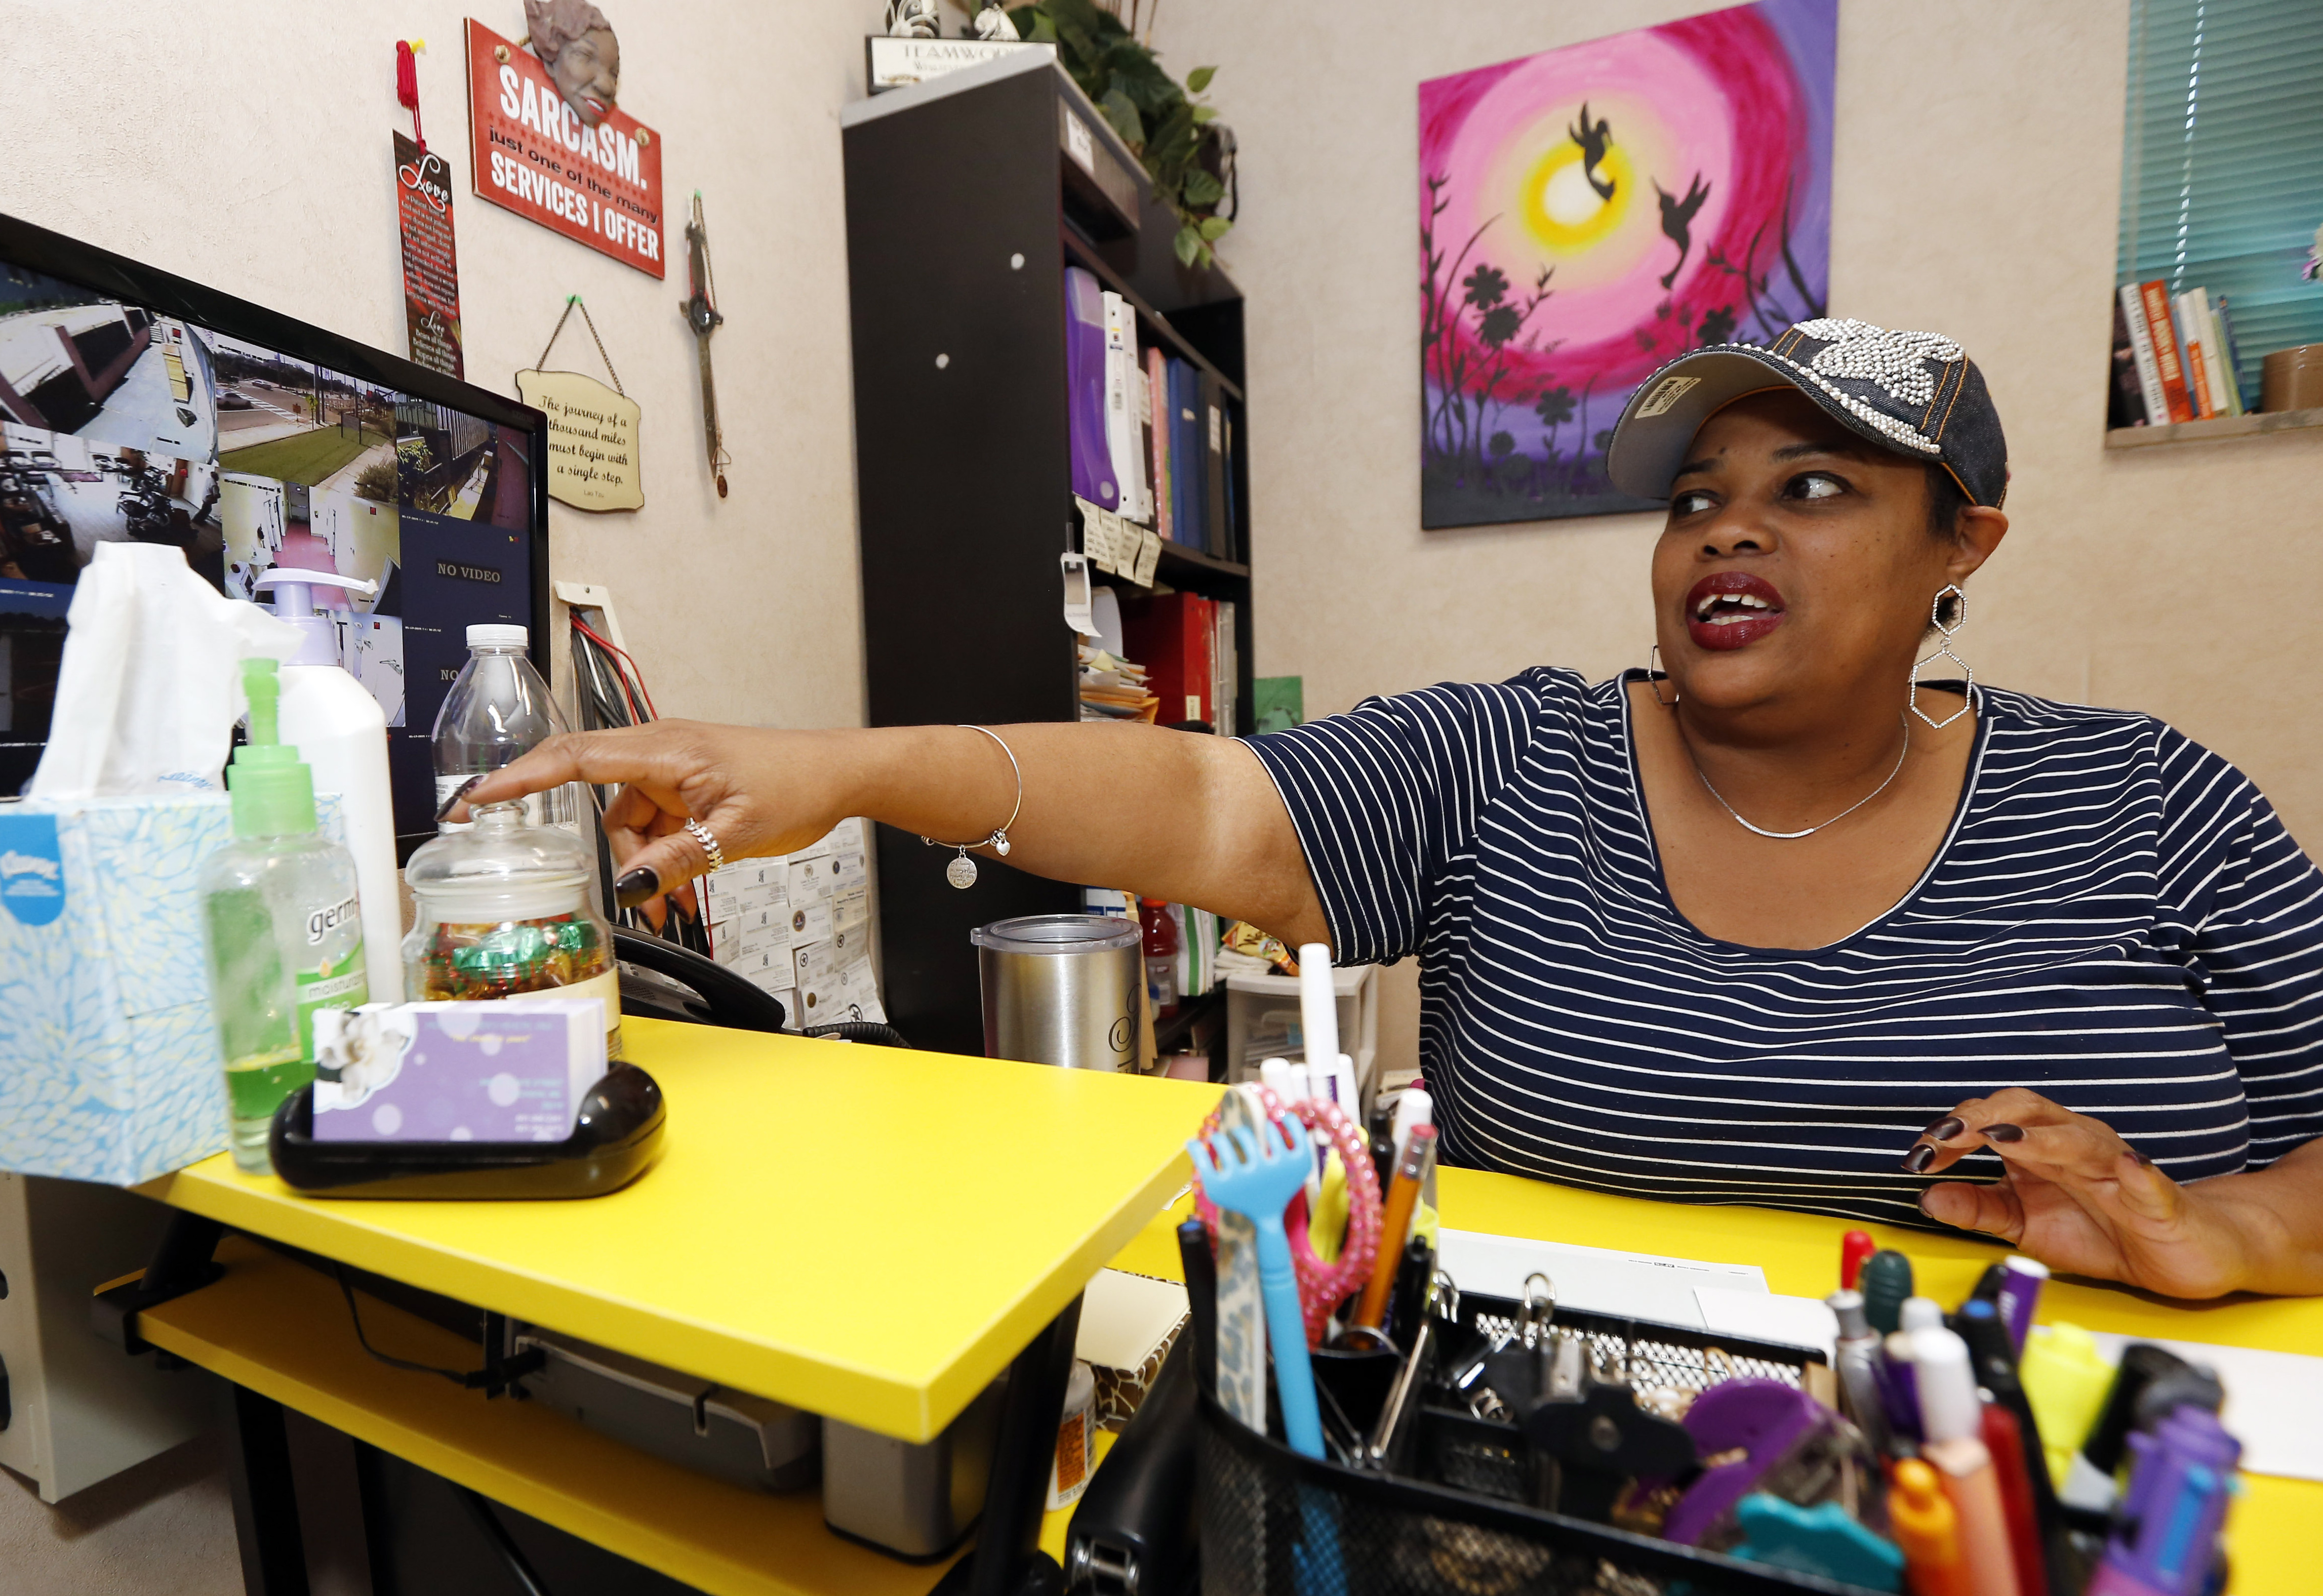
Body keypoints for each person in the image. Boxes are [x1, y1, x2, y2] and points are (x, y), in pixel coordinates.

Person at [456, 317, 2323, 1299]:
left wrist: (2236, 1232)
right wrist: (843, 766)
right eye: (1693, 496)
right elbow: (1206, 799)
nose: (1725, 530)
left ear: (1960, 543)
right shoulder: (1515, 762)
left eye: (1813, 487)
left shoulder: (2152, 804)